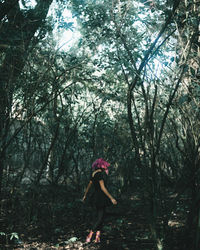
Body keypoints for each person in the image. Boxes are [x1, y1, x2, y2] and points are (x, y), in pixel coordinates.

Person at [82, 158, 117, 243]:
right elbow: (103, 188)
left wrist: (85, 195)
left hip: (95, 197)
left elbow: (89, 186)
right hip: (101, 197)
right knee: (100, 218)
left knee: (100, 217)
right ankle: (90, 235)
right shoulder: (100, 174)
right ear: (101, 166)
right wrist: (111, 198)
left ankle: (97, 237)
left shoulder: (94, 174)